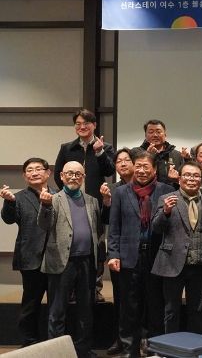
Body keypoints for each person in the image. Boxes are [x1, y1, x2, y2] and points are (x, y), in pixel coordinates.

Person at [107, 151, 175, 357]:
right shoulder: (120, 192)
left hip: (157, 258)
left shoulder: (166, 190)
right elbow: (114, 227)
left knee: (156, 307)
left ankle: (155, 350)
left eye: (146, 167)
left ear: (154, 170)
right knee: (129, 308)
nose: (142, 170)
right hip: (129, 258)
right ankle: (130, 350)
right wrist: (113, 253)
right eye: (138, 166)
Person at [38, 161, 100, 358]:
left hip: (86, 262)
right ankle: (56, 353)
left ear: (83, 177)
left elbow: (98, 230)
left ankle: (83, 350)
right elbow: (44, 225)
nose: (74, 177)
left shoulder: (92, 201)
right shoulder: (53, 199)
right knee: (57, 312)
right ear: (62, 176)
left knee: (85, 311)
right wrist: (45, 205)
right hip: (61, 262)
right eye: (70, 173)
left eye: (78, 174)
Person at [54, 108, 115, 303]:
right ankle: (72, 287)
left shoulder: (105, 147)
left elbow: (110, 170)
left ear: (94, 125)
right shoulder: (67, 148)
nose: (82, 127)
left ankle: (95, 287)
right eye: (78, 124)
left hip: (95, 204)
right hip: (71, 203)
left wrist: (99, 152)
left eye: (86, 123)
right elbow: (58, 175)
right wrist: (68, 196)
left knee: (97, 244)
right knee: (72, 243)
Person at [151, 161, 202, 334]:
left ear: (201, 180)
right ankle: (171, 345)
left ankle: (195, 344)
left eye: (196, 176)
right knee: (171, 310)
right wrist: (165, 212)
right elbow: (156, 228)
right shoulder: (167, 199)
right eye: (187, 175)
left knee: (197, 310)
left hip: (199, 265)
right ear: (179, 179)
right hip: (172, 263)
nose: (191, 179)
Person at [1, 158, 52, 347]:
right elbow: (8, 219)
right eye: (30, 170)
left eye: (39, 169)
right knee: (30, 304)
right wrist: (9, 202)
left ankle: (55, 341)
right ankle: (29, 343)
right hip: (30, 258)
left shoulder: (59, 195)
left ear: (48, 173)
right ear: (24, 176)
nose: (34, 173)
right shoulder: (18, 197)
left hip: (56, 258)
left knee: (57, 304)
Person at [99, 148, 134, 355]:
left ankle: (141, 338)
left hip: (140, 251)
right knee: (120, 298)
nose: (122, 163)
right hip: (119, 251)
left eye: (126, 160)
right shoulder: (111, 188)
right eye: (118, 161)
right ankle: (120, 338)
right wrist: (106, 202)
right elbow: (106, 221)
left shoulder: (143, 186)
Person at [134, 119, 184, 188]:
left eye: (158, 132)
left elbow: (184, 178)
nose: (155, 135)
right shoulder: (136, 153)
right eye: (151, 132)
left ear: (165, 135)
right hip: (144, 192)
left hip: (172, 192)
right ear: (145, 135)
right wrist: (148, 155)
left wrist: (176, 180)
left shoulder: (177, 155)